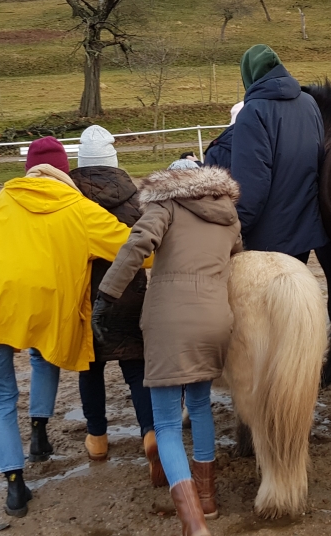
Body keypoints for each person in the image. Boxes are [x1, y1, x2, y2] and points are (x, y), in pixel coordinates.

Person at [0, 136, 137, 517]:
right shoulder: (78, 208)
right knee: (44, 356)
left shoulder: (4, 197)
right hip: (45, 306)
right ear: (64, 170)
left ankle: (14, 485)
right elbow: (135, 248)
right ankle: (39, 434)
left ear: (29, 172)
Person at [92, 165, 243, 536]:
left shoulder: (165, 207)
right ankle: (206, 497)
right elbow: (237, 258)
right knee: (202, 405)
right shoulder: (228, 215)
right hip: (214, 319)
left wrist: (106, 295)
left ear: (170, 185)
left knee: (168, 423)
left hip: (169, 322)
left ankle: (192, 521)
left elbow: (136, 247)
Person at [69, 126, 163, 487]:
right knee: (135, 366)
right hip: (129, 294)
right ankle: (150, 433)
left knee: (89, 369)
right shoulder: (137, 200)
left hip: (86, 297)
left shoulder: (71, 201)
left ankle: (97, 440)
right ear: (114, 161)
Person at [230, 44, 328, 261]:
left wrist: (238, 227)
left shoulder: (252, 112)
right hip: (304, 231)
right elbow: (318, 157)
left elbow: (252, 182)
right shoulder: (309, 102)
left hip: (266, 238)